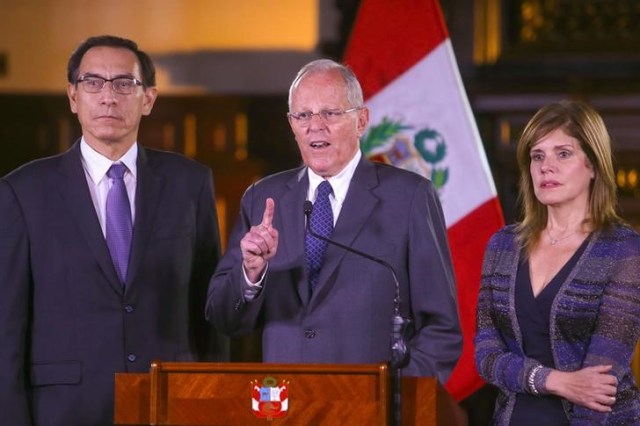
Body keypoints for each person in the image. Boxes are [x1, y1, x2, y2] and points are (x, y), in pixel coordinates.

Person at [0, 35, 226, 426]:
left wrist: (214, 403)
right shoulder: (23, 192)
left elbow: (210, 310)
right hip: (66, 410)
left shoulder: (190, 183)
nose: (108, 97)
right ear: (73, 97)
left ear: (149, 99)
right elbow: (7, 329)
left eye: (124, 84)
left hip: (170, 404)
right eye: (92, 83)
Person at [206, 59, 461, 382]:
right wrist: (250, 273)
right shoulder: (263, 198)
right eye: (303, 115)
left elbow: (441, 328)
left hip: (372, 407)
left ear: (361, 120)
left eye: (330, 113)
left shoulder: (408, 197)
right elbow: (224, 318)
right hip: (286, 404)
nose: (316, 126)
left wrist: (397, 397)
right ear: (291, 124)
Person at [475, 100, 640, 425]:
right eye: (538, 156)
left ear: (593, 165)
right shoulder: (503, 245)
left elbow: (600, 385)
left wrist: (528, 376)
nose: (546, 167)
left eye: (563, 154)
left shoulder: (624, 249)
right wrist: (554, 381)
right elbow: (486, 355)